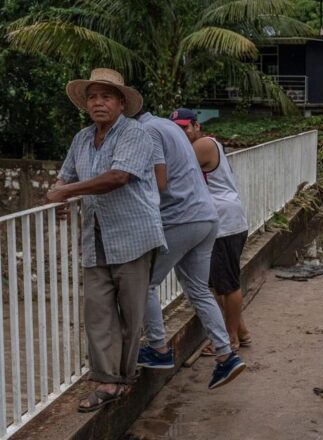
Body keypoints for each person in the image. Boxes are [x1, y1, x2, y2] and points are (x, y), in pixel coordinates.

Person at [48, 68, 166, 412]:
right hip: (96, 235)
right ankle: (107, 380)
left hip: (134, 234)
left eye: (106, 96)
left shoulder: (136, 134)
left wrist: (66, 191)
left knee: (130, 312)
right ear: (86, 104)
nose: (98, 102)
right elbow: (65, 176)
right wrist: (57, 196)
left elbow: (118, 176)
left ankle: (123, 378)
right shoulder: (82, 139)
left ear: (120, 103)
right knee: (98, 310)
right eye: (92, 97)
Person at [134, 110, 246, 389]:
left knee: (144, 284)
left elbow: (160, 181)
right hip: (209, 218)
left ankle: (158, 349)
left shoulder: (151, 132)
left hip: (185, 218)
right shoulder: (173, 133)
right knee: (199, 289)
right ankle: (226, 354)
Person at [169, 108, 252, 354]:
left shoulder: (203, 144)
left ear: (196, 126)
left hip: (224, 223)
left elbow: (173, 171)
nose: (180, 134)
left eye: (184, 128)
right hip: (217, 222)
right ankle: (242, 332)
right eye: (175, 130)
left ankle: (229, 340)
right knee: (215, 285)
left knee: (228, 285)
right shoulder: (203, 144)